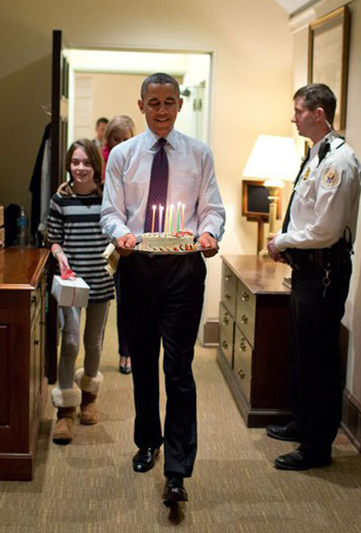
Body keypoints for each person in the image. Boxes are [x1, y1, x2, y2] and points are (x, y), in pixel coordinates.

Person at [101, 73, 225, 505]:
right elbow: (111, 213)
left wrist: (210, 233)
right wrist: (121, 234)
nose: (162, 110)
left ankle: (178, 468)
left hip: (182, 272)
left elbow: (211, 209)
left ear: (179, 105)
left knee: (179, 368)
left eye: (170, 102)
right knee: (143, 362)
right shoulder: (121, 155)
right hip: (136, 269)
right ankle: (147, 441)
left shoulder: (199, 154)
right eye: (153, 103)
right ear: (141, 106)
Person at [266, 83, 361, 471]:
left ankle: (317, 445)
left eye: (298, 110)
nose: (293, 117)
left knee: (319, 358)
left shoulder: (338, 163)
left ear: (318, 114)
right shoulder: (317, 155)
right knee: (302, 353)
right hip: (308, 268)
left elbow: (326, 229)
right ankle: (302, 424)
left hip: (324, 269)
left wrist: (283, 239)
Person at [46, 139, 114, 444]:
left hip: (101, 280)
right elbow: (54, 239)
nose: (81, 168)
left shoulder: (107, 198)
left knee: (94, 343)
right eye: (75, 162)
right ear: (68, 165)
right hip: (72, 282)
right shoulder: (60, 200)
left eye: (86, 162)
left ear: (96, 167)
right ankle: (65, 410)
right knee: (70, 342)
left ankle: (88, 398)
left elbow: (117, 232)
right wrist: (60, 257)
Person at [101, 114, 137, 375]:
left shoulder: (139, 161)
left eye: (126, 139)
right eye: (116, 140)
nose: (121, 144)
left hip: (129, 239)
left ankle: (127, 352)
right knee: (114, 299)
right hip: (102, 238)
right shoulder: (99, 162)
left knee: (130, 301)